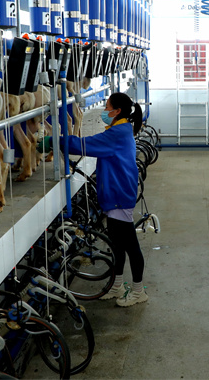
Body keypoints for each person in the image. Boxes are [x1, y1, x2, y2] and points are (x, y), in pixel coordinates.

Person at [45, 92, 148, 307]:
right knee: (117, 244)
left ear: (117, 111)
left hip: (120, 195)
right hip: (116, 193)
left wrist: (55, 140)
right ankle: (117, 285)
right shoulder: (119, 129)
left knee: (130, 245)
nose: (104, 111)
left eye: (107, 107)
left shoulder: (117, 133)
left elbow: (84, 145)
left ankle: (139, 291)